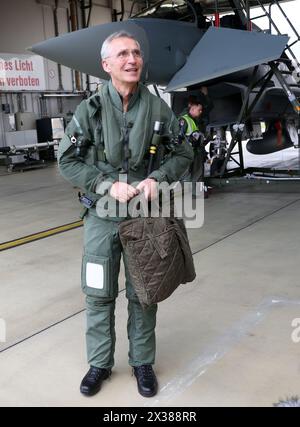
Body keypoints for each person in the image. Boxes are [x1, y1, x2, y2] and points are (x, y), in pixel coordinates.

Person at [57, 31, 193, 398]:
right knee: (98, 294)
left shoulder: (158, 108)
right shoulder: (90, 110)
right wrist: (103, 184)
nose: (132, 59)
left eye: (135, 53)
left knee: (144, 293)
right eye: (122, 54)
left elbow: (183, 155)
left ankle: (142, 362)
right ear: (107, 65)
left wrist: (158, 177)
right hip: (102, 219)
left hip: (145, 219)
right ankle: (99, 364)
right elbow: (66, 159)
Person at [179, 97, 208, 197]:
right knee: (187, 174)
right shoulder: (184, 120)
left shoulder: (195, 120)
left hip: (197, 151)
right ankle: (186, 192)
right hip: (188, 152)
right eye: (199, 110)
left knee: (198, 173)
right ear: (192, 109)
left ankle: (198, 192)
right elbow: (179, 137)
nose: (200, 112)